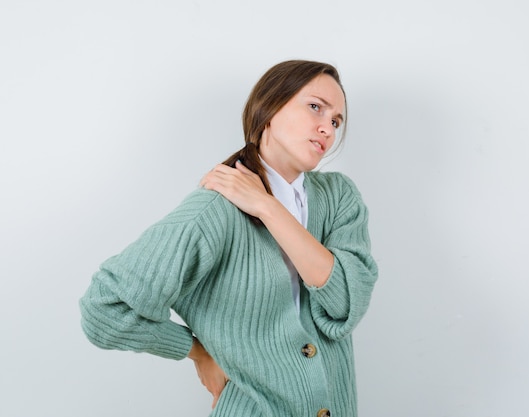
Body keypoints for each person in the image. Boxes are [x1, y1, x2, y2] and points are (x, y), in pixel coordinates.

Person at [80, 59, 378, 417]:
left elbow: (346, 302)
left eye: (335, 121)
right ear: (270, 109)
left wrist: (267, 208)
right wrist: (196, 350)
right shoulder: (213, 211)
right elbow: (104, 308)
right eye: (315, 107)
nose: (327, 129)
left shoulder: (339, 196)